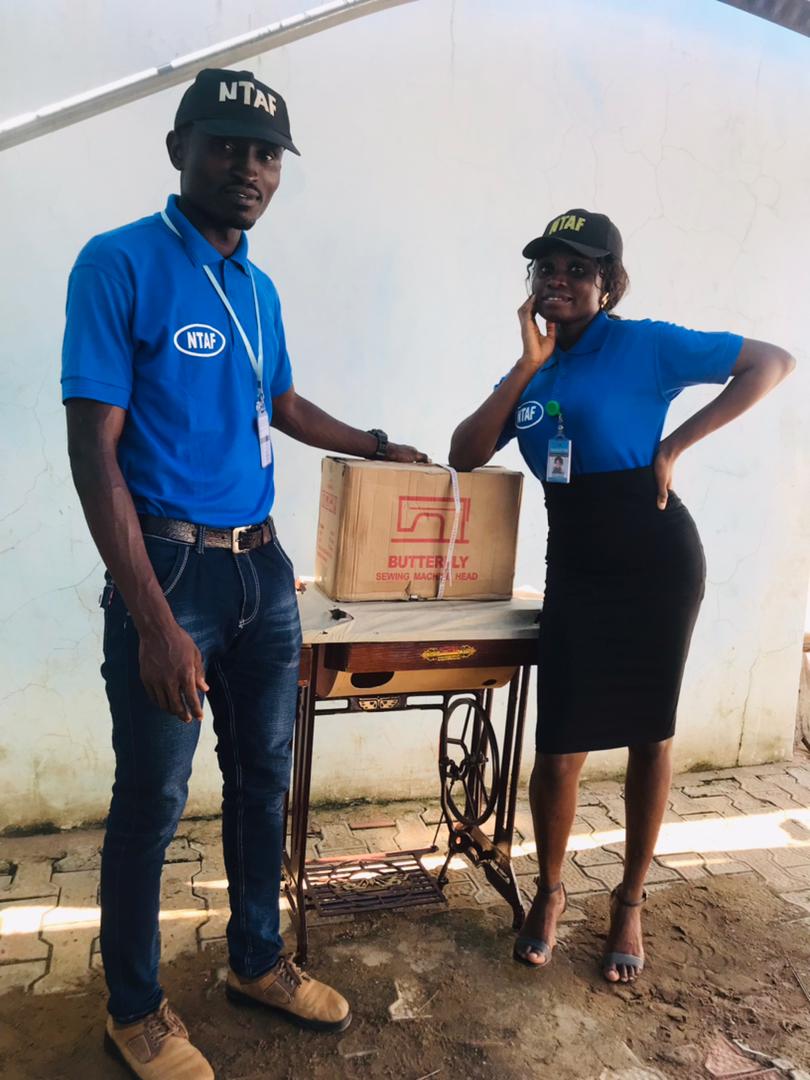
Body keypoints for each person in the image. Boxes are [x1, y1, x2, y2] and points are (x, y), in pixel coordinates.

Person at [62, 67, 428, 1079]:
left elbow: (282, 403)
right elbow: (93, 450)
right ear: (178, 149)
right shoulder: (118, 262)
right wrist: (152, 622)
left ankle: (257, 961)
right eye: (226, 144)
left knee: (264, 779)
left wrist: (376, 444)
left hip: (262, 571)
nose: (250, 167)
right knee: (153, 800)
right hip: (169, 572)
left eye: (267, 153)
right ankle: (134, 1010)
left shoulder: (259, 290)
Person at [448, 208, 794, 985]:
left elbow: (772, 362)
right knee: (559, 748)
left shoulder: (647, 344)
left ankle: (630, 900)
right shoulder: (537, 369)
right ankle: (551, 892)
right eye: (547, 268)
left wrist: (675, 444)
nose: (559, 280)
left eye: (578, 269)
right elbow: (464, 453)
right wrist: (526, 364)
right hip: (575, 565)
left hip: (655, 558)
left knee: (649, 736)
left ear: (609, 283)